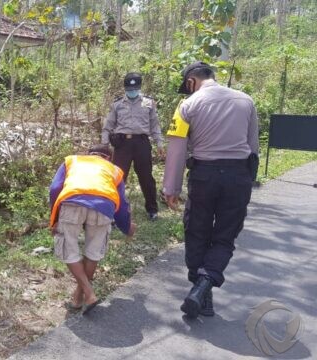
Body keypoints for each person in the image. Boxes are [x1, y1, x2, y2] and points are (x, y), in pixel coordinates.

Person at [163, 61, 259, 319]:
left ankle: (200, 286)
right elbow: (252, 147)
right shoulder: (246, 101)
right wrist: (247, 180)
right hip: (238, 177)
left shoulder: (187, 105)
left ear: (191, 82)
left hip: (204, 176)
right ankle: (204, 290)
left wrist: (171, 188)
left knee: (197, 230)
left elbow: (177, 149)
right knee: (225, 237)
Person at [49, 144, 136, 315]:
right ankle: (79, 297)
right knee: (93, 251)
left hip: (72, 200)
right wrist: (127, 228)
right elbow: (122, 204)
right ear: (108, 158)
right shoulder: (115, 170)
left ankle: (86, 293)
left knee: (68, 247)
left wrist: (54, 219)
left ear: (88, 154)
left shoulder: (72, 161)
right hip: (103, 206)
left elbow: (54, 189)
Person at [102, 72, 165, 221]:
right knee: (117, 178)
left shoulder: (148, 103)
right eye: (129, 90)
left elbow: (154, 125)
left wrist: (159, 143)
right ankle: (114, 212)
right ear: (124, 89)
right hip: (122, 144)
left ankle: (152, 210)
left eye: (134, 89)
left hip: (142, 143)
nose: (132, 92)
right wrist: (104, 144)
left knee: (146, 177)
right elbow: (108, 125)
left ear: (139, 87)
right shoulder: (117, 104)